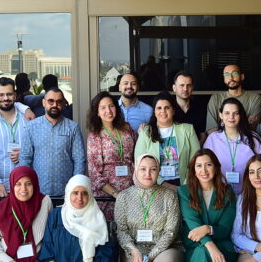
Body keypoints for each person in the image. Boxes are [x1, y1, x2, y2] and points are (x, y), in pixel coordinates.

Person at [19, 87, 87, 196]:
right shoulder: (31, 127)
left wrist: (75, 188)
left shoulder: (72, 128)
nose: (55, 105)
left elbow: (79, 160)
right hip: (38, 192)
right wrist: (26, 187)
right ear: (43, 103)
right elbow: (25, 158)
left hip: (66, 192)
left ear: (63, 104)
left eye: (59, 101)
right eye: (51, 101)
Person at [85, 91, 136, 219]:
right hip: (108, 197)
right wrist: (116, 194)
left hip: (132, 192)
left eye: (111, 106)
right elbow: (94, 173)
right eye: (103, 107)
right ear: (97, 112)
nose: (108, 110)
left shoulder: (126, 128)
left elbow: (137, 155)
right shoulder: (95, 135)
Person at [202, 97, 261, 195]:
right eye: (227, 113)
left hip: (249, 195)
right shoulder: (212, 139)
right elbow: (204, 165)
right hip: (220, 195)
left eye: (236, 113)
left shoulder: (252, 138)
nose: (231, 117)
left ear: (240, 115)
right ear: (221, 115)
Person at [134, 92, 201, 189]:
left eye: (167, 107)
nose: (163, 111)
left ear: (173, 110)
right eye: (159, 108)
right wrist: (163, 184)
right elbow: (139, 163)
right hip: (155, 185)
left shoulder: (188, 129)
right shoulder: (146, 133)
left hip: (184, 185)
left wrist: (185, 186)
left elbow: (196, 160)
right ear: (154, 111)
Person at [205, 64, 261, 132]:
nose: (231, 77)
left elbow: (252, 129)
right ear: (224, 79)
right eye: (227, 75)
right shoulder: (216, 99)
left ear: (242, 76)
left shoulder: (255, 99)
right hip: (220, 142)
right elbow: (211, 130)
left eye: (234, 73)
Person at [171, 70, 209, 136]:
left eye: (189, 85)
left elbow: (202, 134)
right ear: (174, 88)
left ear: (192, 88)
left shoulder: (200, 108)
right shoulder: (169, 108)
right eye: (182, 85)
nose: (185, 89)